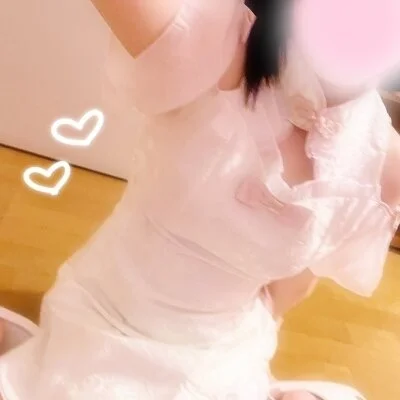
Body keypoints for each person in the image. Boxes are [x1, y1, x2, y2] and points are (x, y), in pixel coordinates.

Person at [0, 0, 399, 398]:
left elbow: (295, 284)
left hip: (223, 354)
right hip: (109, 318)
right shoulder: (211, 41)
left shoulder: (382, 164)